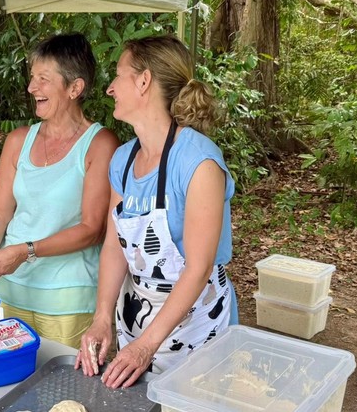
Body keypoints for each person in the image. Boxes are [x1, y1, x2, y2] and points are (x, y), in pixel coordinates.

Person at [75, 35, 238, 388]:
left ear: (144, 81)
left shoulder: (198, 162)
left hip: (196, 323)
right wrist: (102, 317)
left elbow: (198, 269)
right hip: (137, 316)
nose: (110, 88)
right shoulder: (123, 159)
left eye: (118, 76)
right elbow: (114, 245)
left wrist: (146, 346)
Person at [0, 34, 119, 348]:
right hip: (9, 292)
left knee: (69, 394)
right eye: (31, 78)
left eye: (43, 79)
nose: (31, 88)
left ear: (74, 88)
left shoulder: (100, 143)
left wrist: (25, 250)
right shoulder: (18, 140)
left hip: (69, 301)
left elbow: (93, 229)